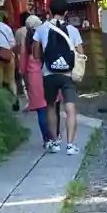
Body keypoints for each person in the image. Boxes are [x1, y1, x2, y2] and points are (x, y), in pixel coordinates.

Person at [35, 11, 82, 154]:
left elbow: (36, 54)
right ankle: (70, 145)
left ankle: (55, 143)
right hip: (68, 74)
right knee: (70, 107)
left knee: (50, 106)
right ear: (66, 12)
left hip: (49, 74)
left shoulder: (41, 29)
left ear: (49, 12)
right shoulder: (72, 30)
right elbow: (81, 52)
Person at [19, 16, 53, 147]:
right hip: (49, 73)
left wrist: (23, 73)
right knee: (52, 106)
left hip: (34, 76)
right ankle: (55, 135)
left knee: (41, 109)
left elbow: (23, 62)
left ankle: (47, 139)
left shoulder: (28, 41)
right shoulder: (46, 35)